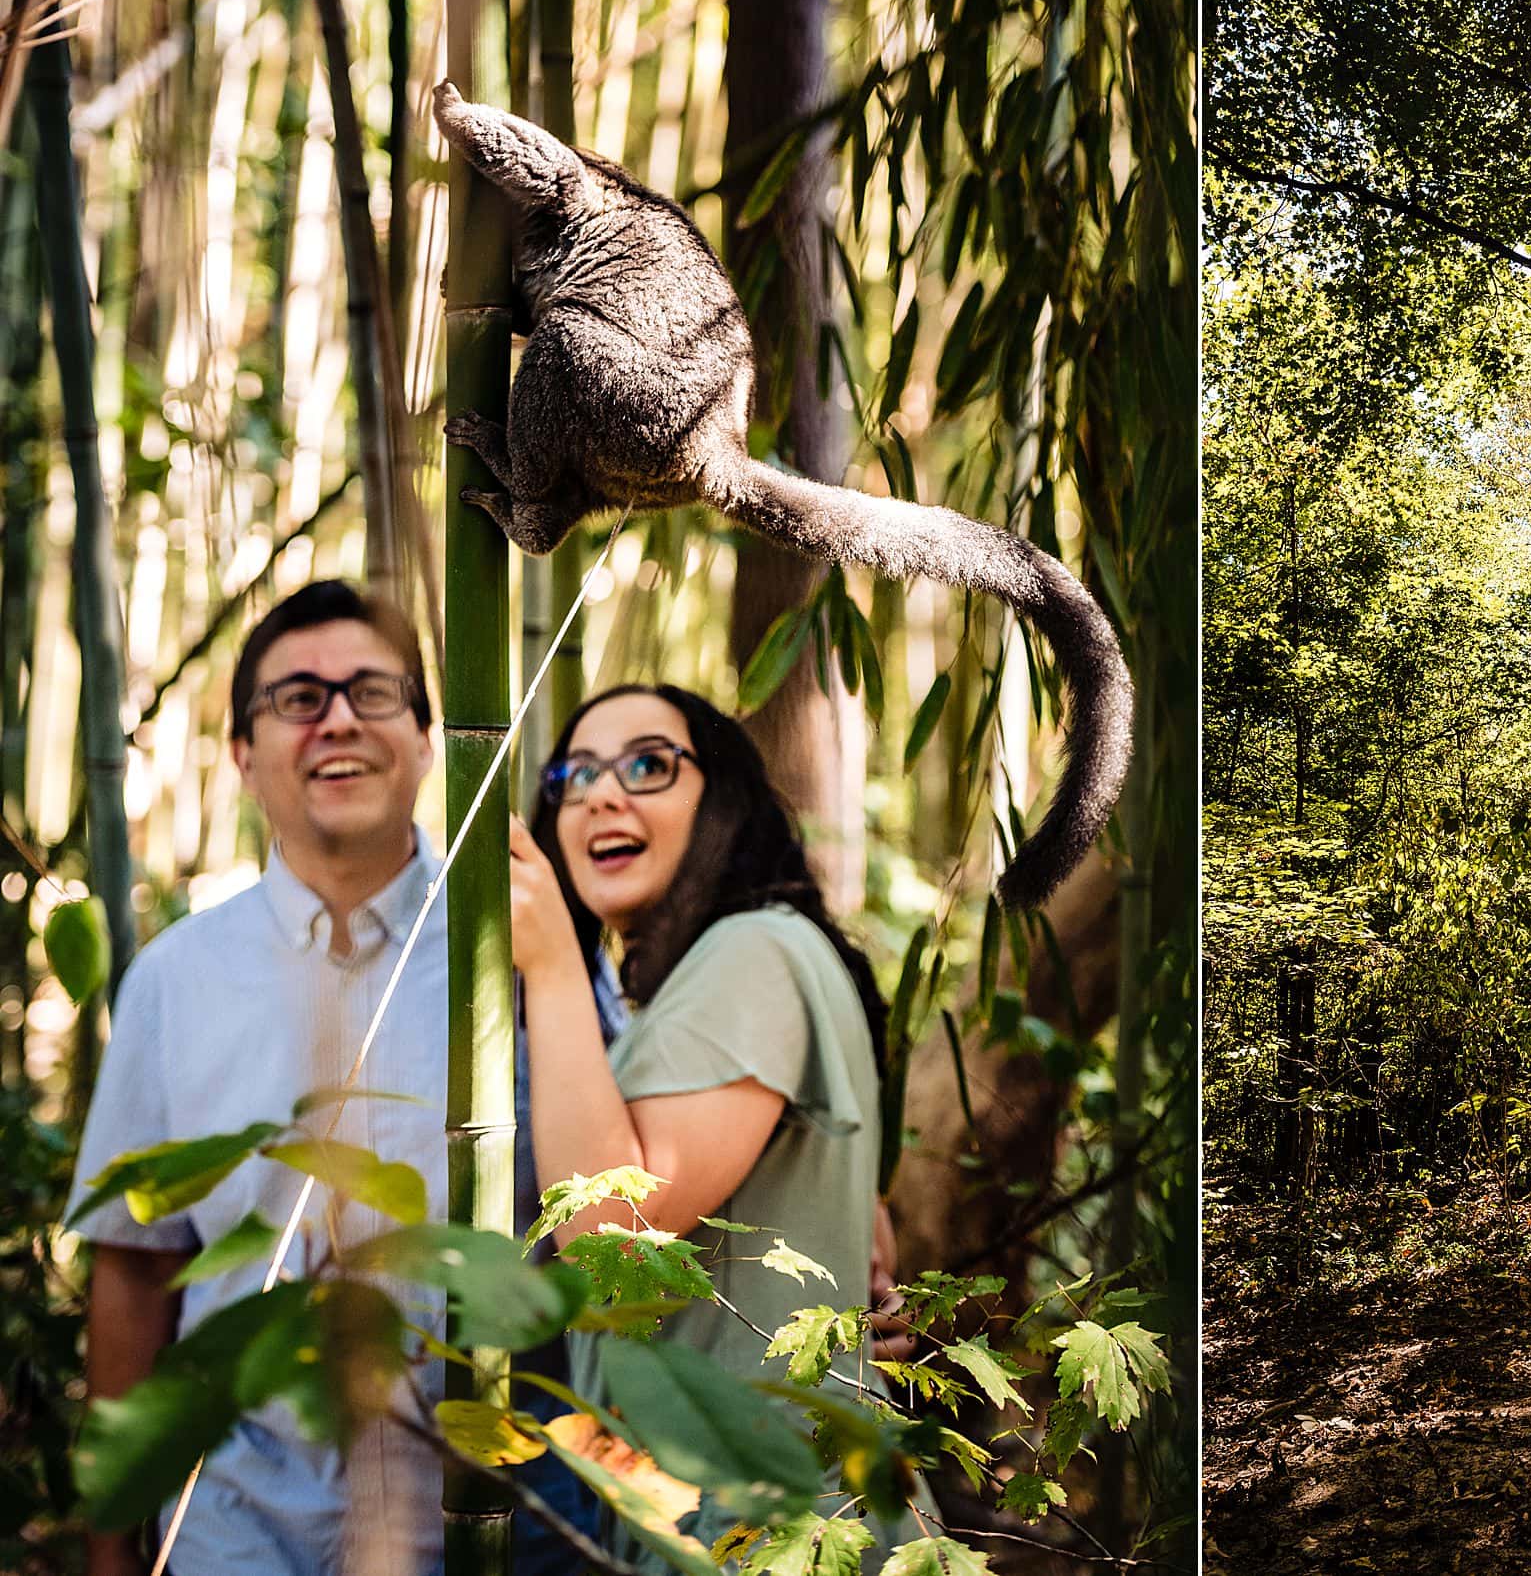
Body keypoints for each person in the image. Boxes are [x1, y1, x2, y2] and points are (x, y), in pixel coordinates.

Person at [70, 580, 450, 1576]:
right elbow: (134, 1266)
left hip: (480, 1518)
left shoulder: (520, 948)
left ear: (426, 734)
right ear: (242, 754)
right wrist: (113, 1544)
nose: (335, 721)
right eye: (298, 698)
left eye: (372, 692)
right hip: (231, 1519)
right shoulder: (175, 978)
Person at [509, 682, 933, 1566]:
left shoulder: (752, 951)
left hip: (773, 1533)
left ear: (723, 801)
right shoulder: (728, 968)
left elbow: (610, 1236)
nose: (600, 793)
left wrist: (551, 967)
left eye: (647, 764)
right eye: (574, 774)